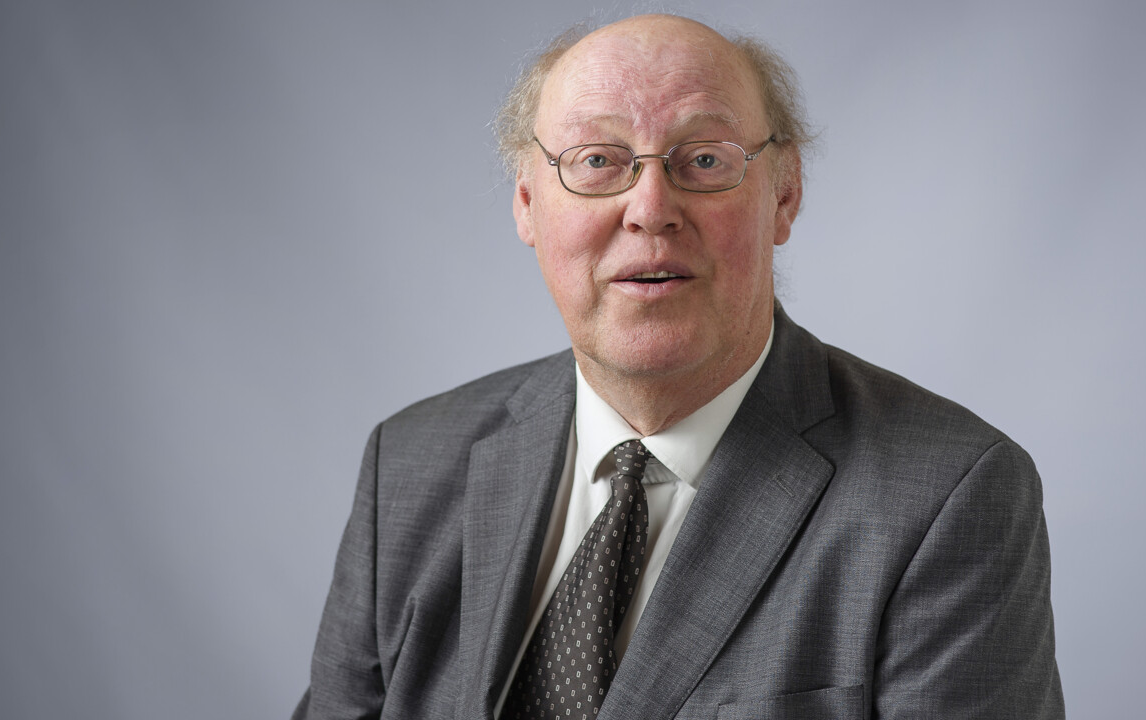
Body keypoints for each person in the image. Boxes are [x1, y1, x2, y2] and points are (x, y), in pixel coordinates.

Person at [293, 14, 1063, 720]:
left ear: (784, 194)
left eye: (704, 159)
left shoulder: (946, 497)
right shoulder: (410, 463)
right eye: (598, 161)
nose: (651, 207)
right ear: (527, 203)